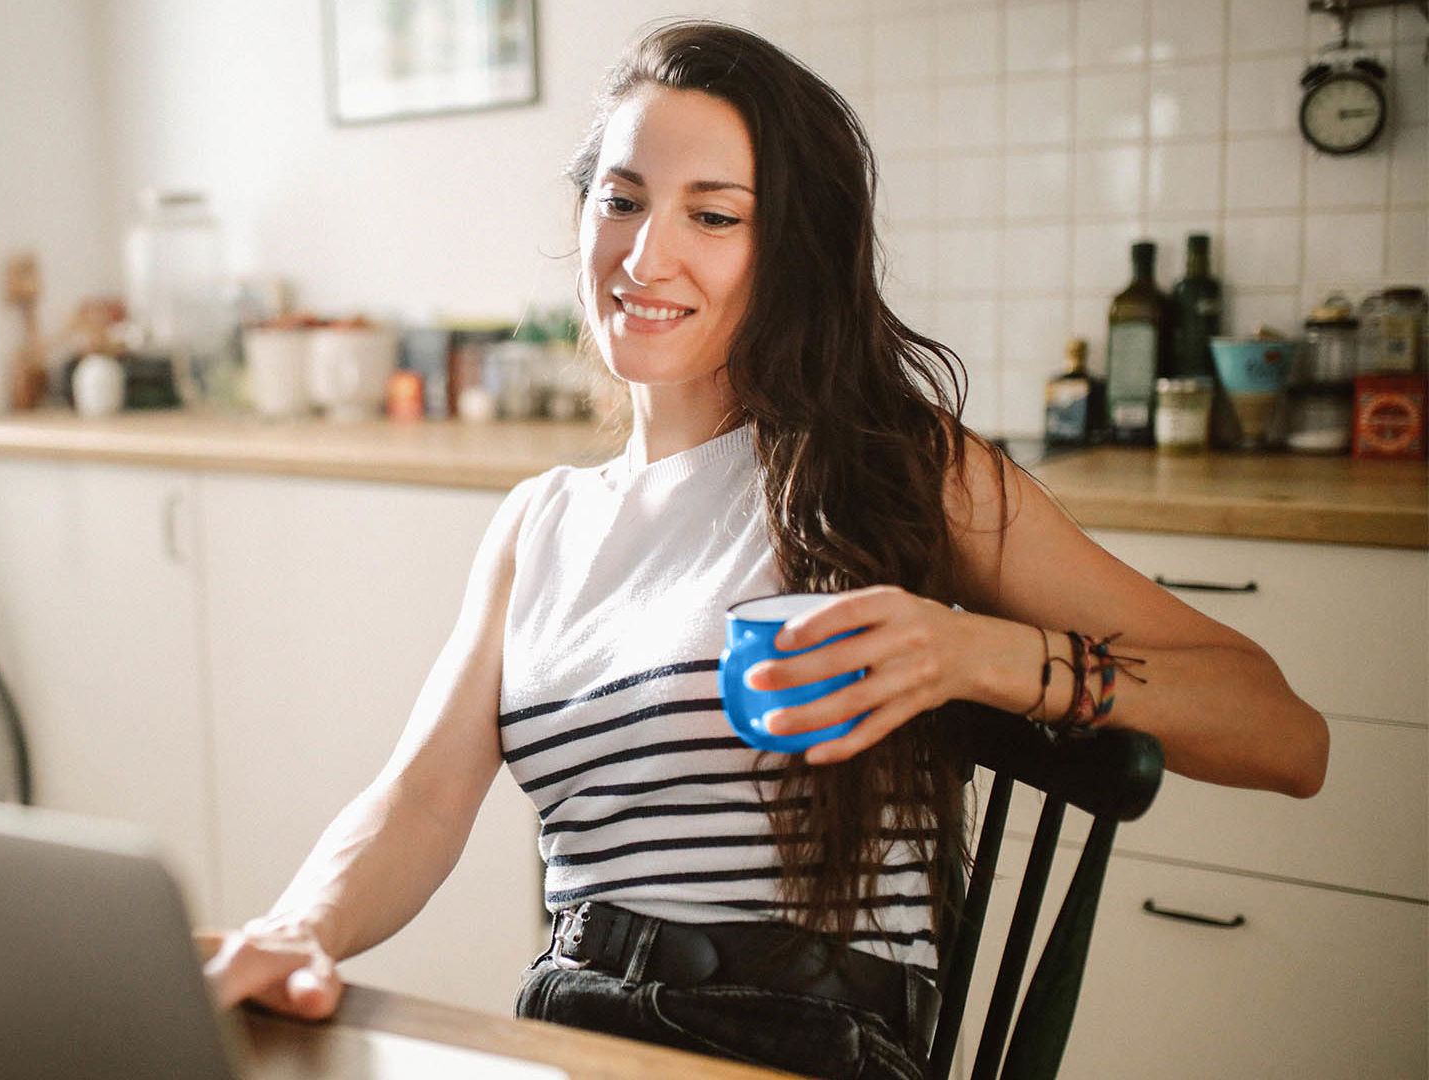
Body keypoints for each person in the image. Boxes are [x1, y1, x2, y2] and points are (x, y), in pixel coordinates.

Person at [203, 20, 1328, 1080]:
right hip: (579, 1026)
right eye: (622, 200)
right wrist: (295, 932)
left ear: (791, 250)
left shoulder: (896, 466)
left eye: (714, 215)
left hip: (801, 1038)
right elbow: (421, 799)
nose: (646, 255)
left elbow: (1283, 731)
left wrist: (972, 655)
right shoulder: (540, 522)